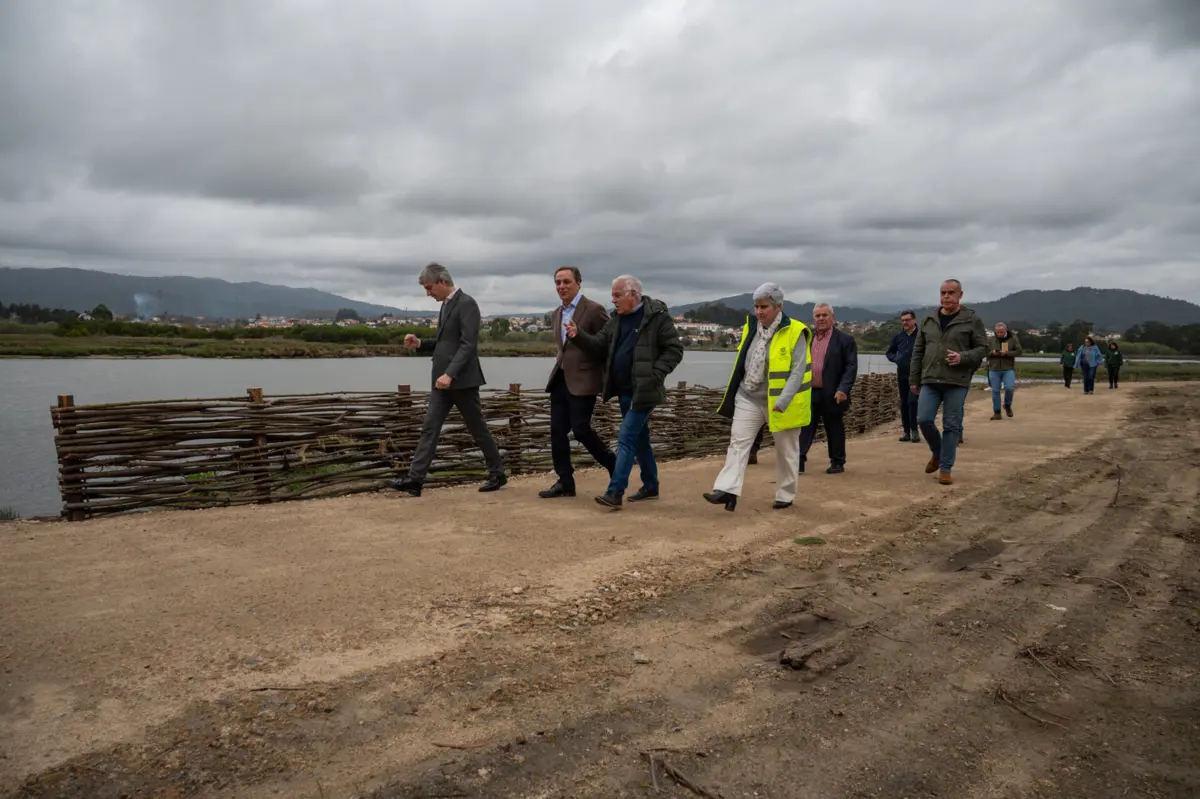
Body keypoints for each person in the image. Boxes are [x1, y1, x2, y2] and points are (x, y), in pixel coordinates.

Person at [565, 275, 684, 509]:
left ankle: (615, 491)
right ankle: (651, 486)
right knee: (640, 440)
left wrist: (655, 374)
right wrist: (578, 336)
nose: (613, 300)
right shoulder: (616, 319)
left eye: (617, 295)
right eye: (613, 295)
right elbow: (599, 345)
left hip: (644, 391)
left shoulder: (657, 317)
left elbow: (674, 349)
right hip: (624, 391)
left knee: (626, 437)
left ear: (633, 295)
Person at [390, 263, 506, 496]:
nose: (428, 293)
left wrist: (450, 374)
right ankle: (415, 480)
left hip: (462, 381)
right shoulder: (445, 306)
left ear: (442, 281)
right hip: (441, 383)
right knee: (430, 429)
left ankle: (497, 472)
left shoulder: (467, 303)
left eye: (430, 287)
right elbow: (445, 344)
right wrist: (421, 343)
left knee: (478, 429)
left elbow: (468, 345)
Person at [703, 283, 812, 512]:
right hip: (749, 396)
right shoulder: (751, 327)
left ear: (778, 306)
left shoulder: (796, 331)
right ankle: (727, 490)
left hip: (782, 403)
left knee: (786, 451)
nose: (759, 311)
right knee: (738, 443)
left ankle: (785, 493)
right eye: (756, 306)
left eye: (764, 306)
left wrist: (783, 400)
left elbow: (797, 371)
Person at [539, 266, 616, 499]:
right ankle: (565, 482)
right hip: (561, 378)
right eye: (558, 282)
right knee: (557, 431)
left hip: (584, 380)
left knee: (581, 429)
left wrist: (579, 335)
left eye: (566, 282)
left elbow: (605, 346)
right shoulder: (556, 314)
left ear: (578, 283)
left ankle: (614, 465)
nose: (561, 286)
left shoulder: (594, 310)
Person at [911, 279, 989, 486]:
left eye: (951, 293)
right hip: (930, 378)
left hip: (957, 380)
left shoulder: (972, 320)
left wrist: (962, 357)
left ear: (960, 295)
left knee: (951, 425)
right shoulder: (928, 319)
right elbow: (918, 351)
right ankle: (937, 452)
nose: (946, 296)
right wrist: (914, 378)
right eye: (943, 292)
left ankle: (945, 467)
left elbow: (983, 348)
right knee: (923, 419)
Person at [798, 304, 858, 474]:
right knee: (804, 427)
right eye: (817, 316)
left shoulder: (845, 340)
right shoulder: (806, 338)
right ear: (813, 319)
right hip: (809, 391)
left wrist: (843, 389)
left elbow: (850, 367)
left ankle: (837, 462)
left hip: (833, 392)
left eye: (825, 315)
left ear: (832, 317)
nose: (821, 319)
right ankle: (799, 460)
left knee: (834, 428)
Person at [885, 310, 921, 443]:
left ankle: (915, 431)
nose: (905, 322)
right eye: (903, 320)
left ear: (914, 320)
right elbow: (889, 352)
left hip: (917, 375)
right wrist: (897, 359)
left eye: (907, 320)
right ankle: (906, 432)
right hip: (902, 374)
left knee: (913, 402)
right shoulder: (899, 336)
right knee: (904, 403)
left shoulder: (921, 336)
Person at [987, 322, 1022, 419]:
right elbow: (984, 351)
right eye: (997, 332)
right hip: (994, 368)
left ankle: (1007, 405)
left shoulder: (1013, 339)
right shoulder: (991, 339)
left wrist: (1006, 353)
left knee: (1009, 388)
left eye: (1001, 332)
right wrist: (992, 352)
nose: (999, 334)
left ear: (1005, 331)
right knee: (995, 391)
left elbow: (1019, 352)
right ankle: (997, 412)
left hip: (1008, 368)